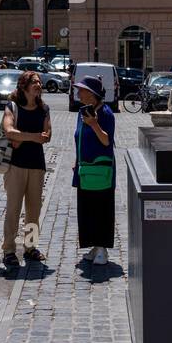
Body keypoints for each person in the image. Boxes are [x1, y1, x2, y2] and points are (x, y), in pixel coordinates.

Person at [0, 71, 51, 269]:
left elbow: (47, 135)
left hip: (37, 165)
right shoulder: (12, 106)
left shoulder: (44, 109)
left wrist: (24, 137)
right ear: (24, 86)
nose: (38, 85)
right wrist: (32, 137)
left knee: (34, 210)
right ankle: (9, 250)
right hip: (16, 166)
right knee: (13, 209)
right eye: (34, 82)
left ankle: (30, 247)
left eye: (39, 82)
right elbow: (9, 131)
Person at [71, 75, 116, 266]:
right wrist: (77, 161)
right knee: (87, 208)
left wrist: (94, 124)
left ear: (92, 94)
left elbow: (106, 141)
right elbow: (79, 138)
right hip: (85, 168)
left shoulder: (105, 113)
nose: (78, 92)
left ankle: (102, 248)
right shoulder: (82, 113)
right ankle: (94, 246)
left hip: (101, 169)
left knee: (102, 208)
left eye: (82, 90)